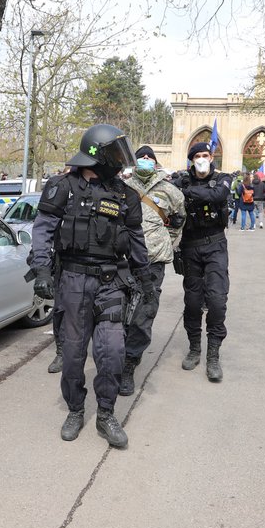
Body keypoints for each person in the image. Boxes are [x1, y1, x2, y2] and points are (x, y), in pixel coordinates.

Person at [28, 124, 153, 448]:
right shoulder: (61, 188)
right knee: (72, 355)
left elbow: (137, 239)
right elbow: (42, 230)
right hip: (72, 281)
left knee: (112, 351)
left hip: (111, 282)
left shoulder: (125, 195)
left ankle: (106, 414)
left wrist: (146, 279)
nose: (119, 160)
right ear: (96, 155)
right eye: (114, 153)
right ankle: (75, 409)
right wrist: (41, 269)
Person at [120, 145, 185, 396]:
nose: (145, 159)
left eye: (150, 157)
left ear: (156, 162)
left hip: (153, 261)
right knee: (118, 310)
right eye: (141, 157)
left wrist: (165, 240)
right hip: (123, 260)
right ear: (135, 162)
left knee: (144, 313)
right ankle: (115, 356)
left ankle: (129, 364)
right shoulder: (122, 187)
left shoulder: (170, 191)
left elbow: (179, 220)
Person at [172, 142, 232, 382]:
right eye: (197, 156)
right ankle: (195, 348)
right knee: (193, 301)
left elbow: (217, 195)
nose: (201, 159)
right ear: (191, 159)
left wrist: (187, 192)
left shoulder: (223, 178)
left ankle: (213, 355)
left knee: (217, 301)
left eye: (205, 155)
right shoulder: (182, 181)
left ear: (212, 156)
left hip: (216, 244)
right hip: (190, 246)